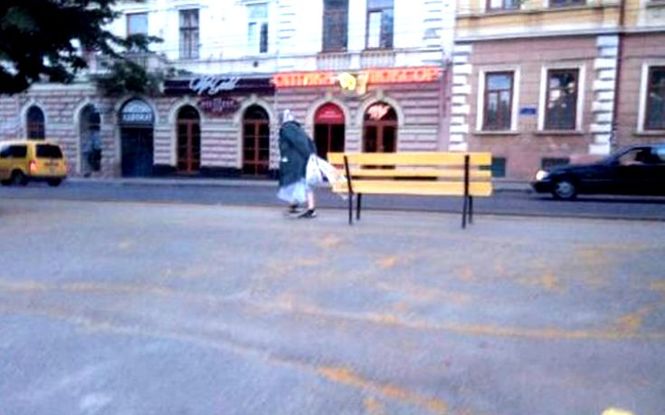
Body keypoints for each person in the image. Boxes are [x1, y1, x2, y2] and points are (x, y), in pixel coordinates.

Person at [277, 110, 317, 218]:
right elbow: (309, 142)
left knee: (299, 182)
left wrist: (308, 156)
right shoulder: (297, 128)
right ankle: (294, 205)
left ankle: (311, 209)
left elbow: (300, 143)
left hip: (295, 161)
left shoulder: (288, 128)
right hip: (299, 160)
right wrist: (312, 155)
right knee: (297, 182)